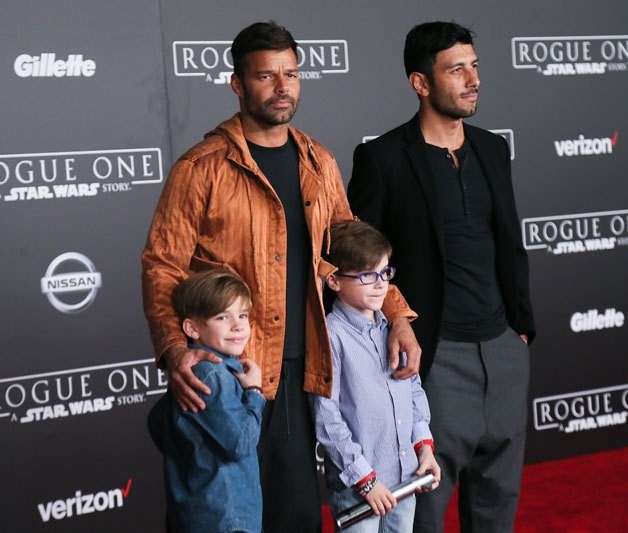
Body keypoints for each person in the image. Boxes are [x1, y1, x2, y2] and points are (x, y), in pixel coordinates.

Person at [141, 21, 420, 532]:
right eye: (266, 76)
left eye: (290, 74)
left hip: (298, 371)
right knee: (221, 518)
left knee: (293, 518)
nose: (282, 86)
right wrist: (174, 349)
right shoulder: (200, 168)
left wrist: (397, 315)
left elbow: (353, 254)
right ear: (238, 83)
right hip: (225, 374)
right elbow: (163, 265)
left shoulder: (319, 162)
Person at [347, 21, 536, 533]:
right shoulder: (383, 158)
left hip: (501, 348)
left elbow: (509, 243)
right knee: (422, 508)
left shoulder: (492, 148)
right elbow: (357, 260)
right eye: (456, 70)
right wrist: (398, 321)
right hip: (431, 355)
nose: (473, 80)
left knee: (498, 501)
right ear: (421, 83)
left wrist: (519, 331)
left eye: (474, 66)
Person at [312, 220, 441, 533]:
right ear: (334, 281)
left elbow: (413, 391)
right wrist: (365, 480)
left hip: (407, 478)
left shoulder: (393, 328)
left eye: (385, 272)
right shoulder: (331, 337)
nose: (381, 284)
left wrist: (424, 448)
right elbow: (327, 418)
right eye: (367, 275)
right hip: (359, 489)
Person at [148, 268, 264, 533]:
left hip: (195, 514)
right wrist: (255, 392)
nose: (238, 325)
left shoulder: (198, 372)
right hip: (227, 519)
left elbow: (156, 421)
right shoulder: (212, 375)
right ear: (192, 328)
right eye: (222, 317)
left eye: (242, 315)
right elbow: (240, 442)